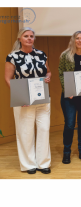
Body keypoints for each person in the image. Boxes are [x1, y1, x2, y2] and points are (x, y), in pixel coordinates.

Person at [4, 27, 51, 174]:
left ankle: (43, 163)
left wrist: (49, 76)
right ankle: (28, 164)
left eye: (31, 36)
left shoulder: (41, 54)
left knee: (44, 129)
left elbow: (47, 71)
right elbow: (8, 79)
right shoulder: (12, 56)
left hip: (42, 99)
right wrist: (19, 97)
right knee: (25, 132)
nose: (29, 38)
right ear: (20, 39)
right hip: (24, 101)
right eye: (26, 36)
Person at [58, 31, 81, 164]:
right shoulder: (65, 55)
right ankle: (66, 152)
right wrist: (68, 90)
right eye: (77, 38)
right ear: (73, 40)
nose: (80, 41)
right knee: (69, 124)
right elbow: (61, 74)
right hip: (69, 97)